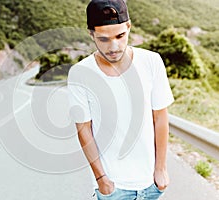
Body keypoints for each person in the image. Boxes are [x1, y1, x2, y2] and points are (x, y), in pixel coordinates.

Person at [67, 0, 174, 199]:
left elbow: (160, 117)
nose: (114, 47)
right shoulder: (80, 73)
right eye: (104, 39)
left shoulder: (151, 61)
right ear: (92, 34)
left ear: (129, 27)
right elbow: (83, 129)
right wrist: (102, 180)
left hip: (151, 183)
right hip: (113, 187)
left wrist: (161, 169)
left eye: (120, 36)